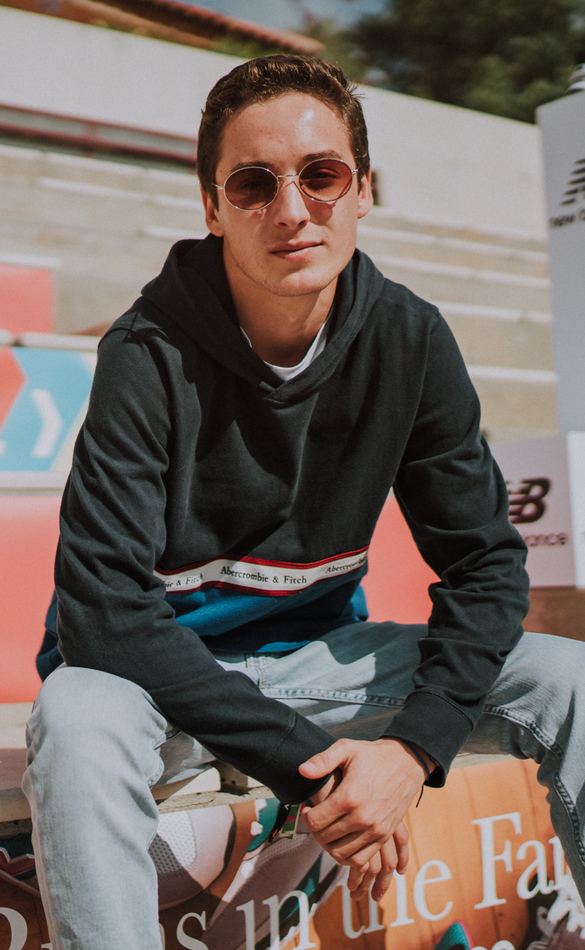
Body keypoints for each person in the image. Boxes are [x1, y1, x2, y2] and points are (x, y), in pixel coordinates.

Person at [23, 54, 585, 950]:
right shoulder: (146, 350)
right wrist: (321, 776)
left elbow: (484, 567)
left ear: (363, 190)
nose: (291, 209)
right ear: (213, 208)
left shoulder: (408, 339)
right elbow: (103, 615)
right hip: (150, 686)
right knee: (75, 713)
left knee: (569, 680)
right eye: (254, 184)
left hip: (314, 666)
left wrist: (409, 752)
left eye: (320, 175)